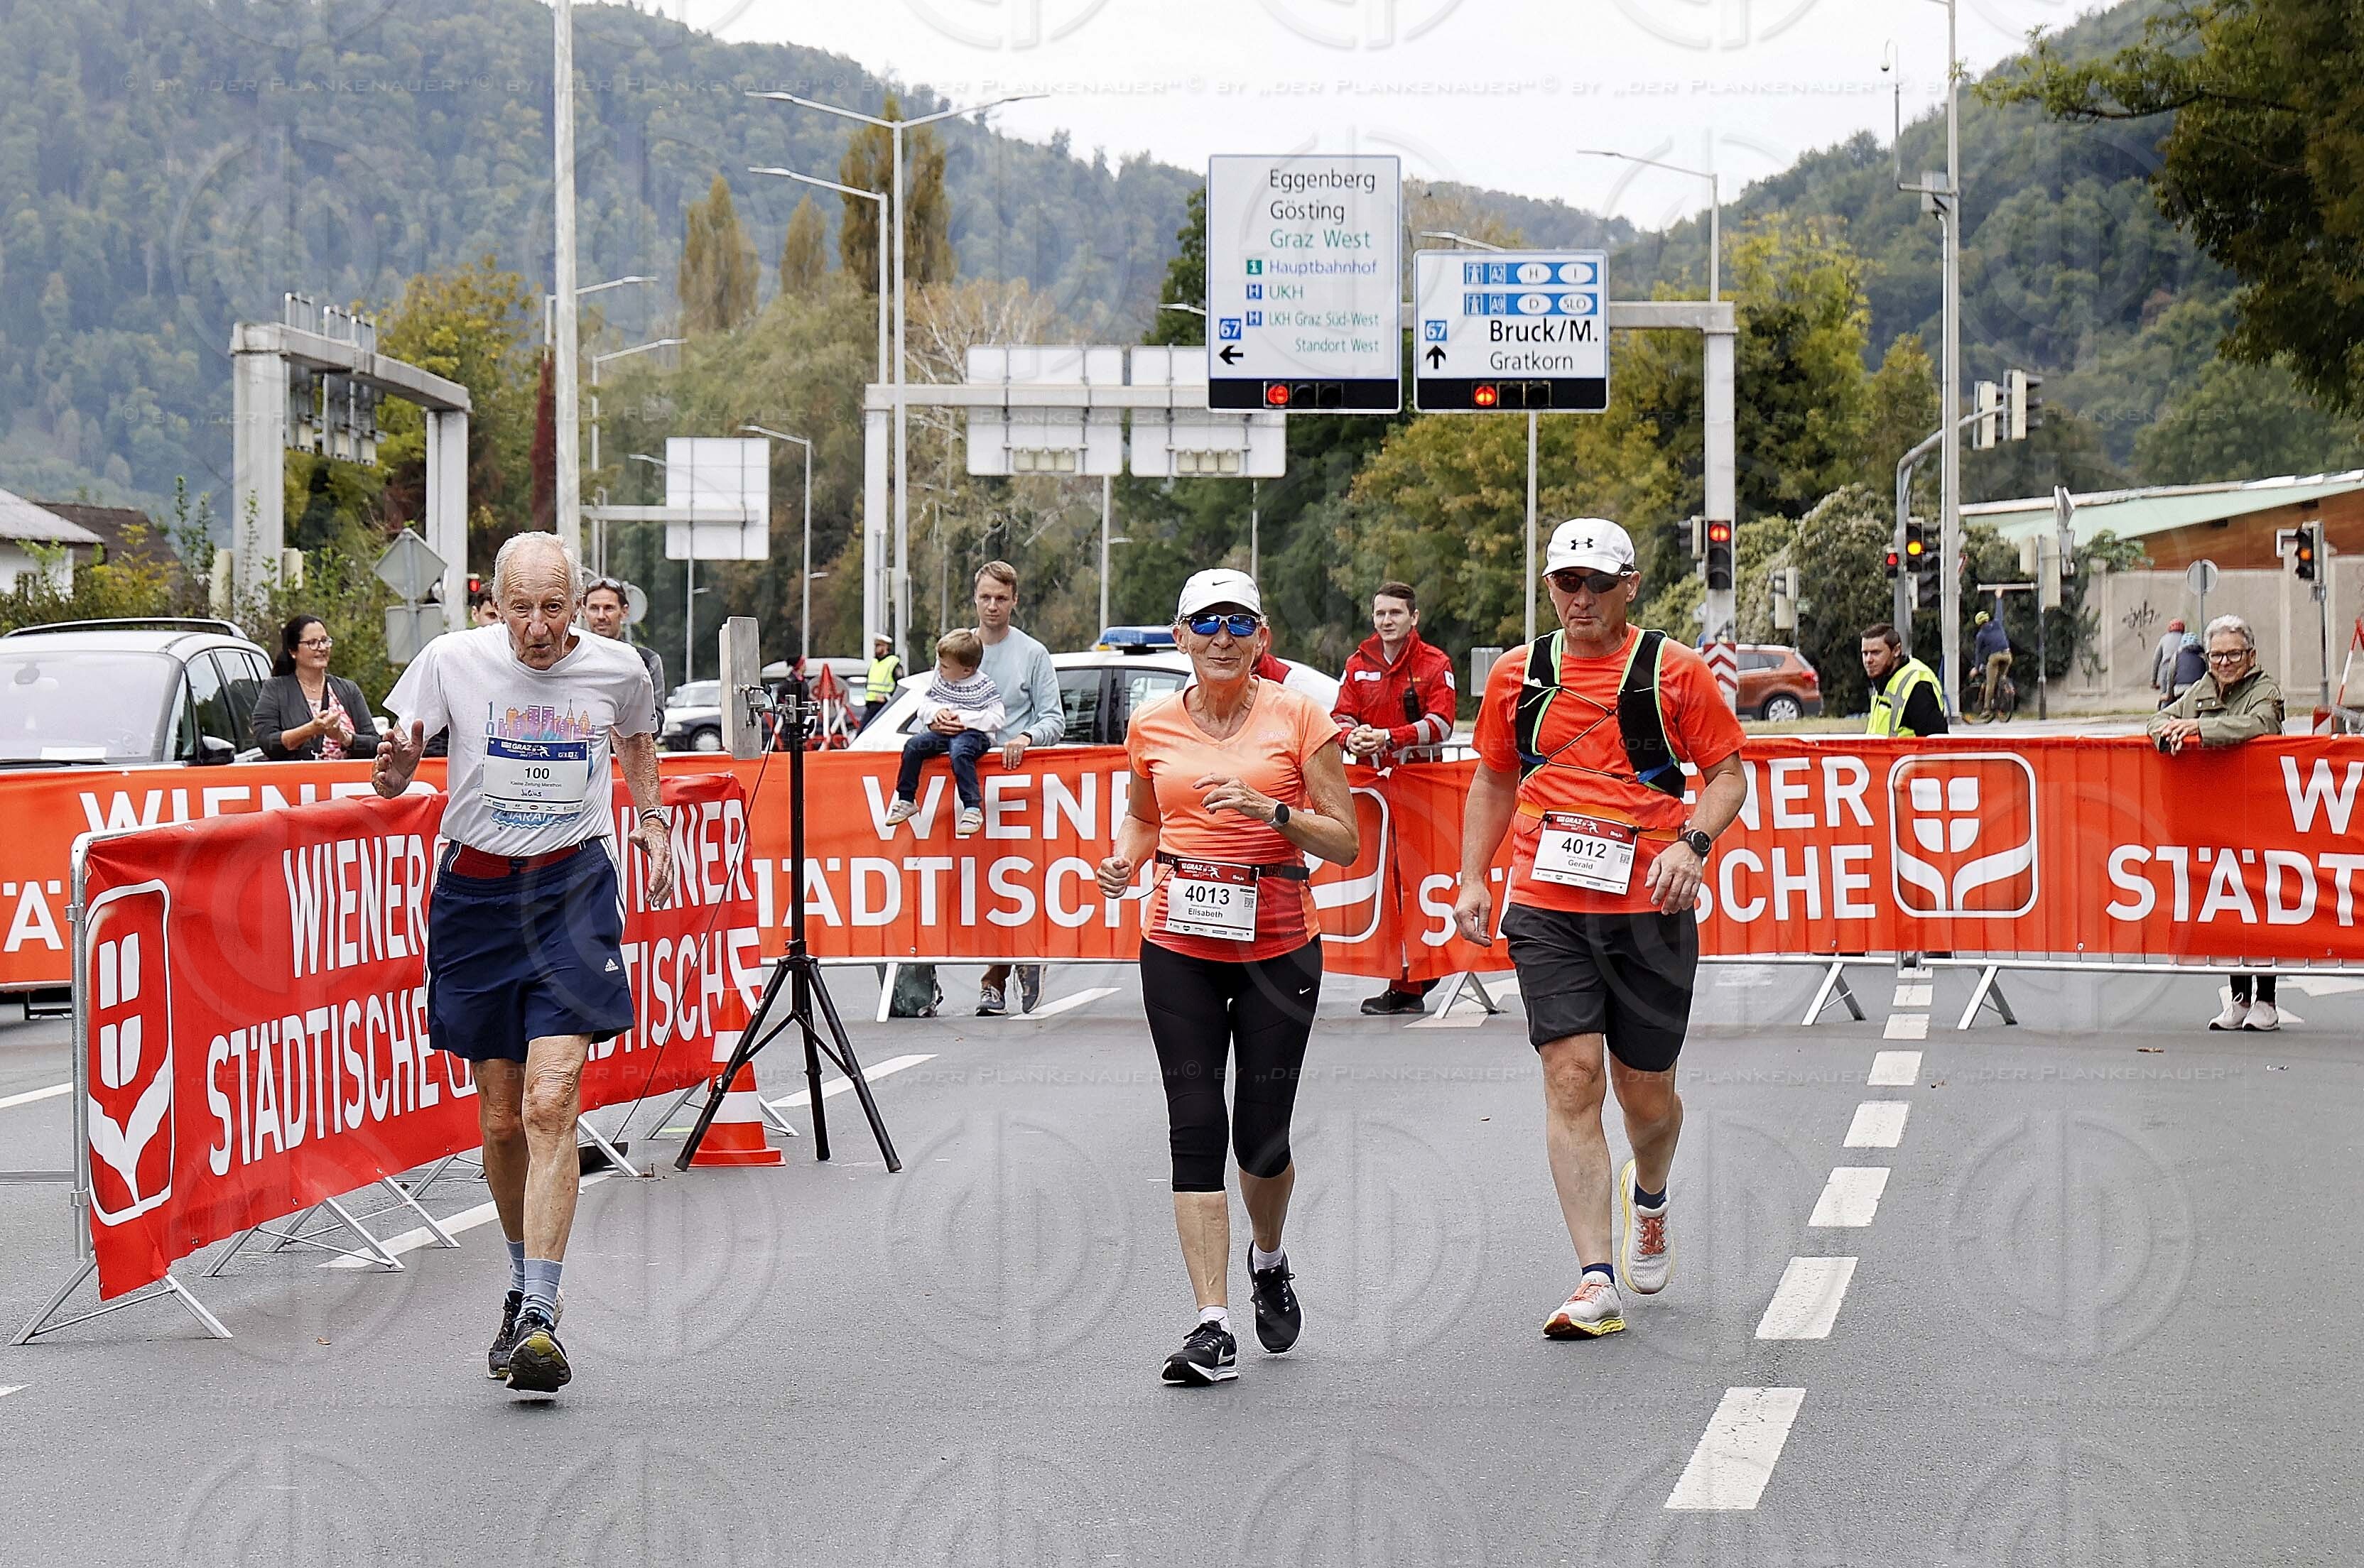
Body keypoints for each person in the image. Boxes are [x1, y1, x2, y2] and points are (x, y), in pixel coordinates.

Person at [373, 531, 674, 1395]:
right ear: (491, 605)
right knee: (501, 1116)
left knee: (552, 1100)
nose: (537, 630)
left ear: (578, 604)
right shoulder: (447, 660)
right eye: (520, 610)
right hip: (475, 894)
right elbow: (396, 771)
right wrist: (395, 771)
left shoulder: (618, 669)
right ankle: (518, 1282)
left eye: (554, 609)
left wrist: (649, 821)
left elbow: (638, 740)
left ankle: (541, 1313)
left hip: (572, 888)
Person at [1451, 518, 1747, 1340]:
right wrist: (1473, 875)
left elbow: (1726, 776)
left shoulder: (1673, 671)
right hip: (1546, 904)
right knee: (1572, 1078)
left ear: (1630, 586)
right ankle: (1594, 1277)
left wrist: (1694, 844)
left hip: (1649, 906)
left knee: (1644, 1094)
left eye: (1595, 584)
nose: (1578, 598)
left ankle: (1647, 1195)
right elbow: (1493, 778)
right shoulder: (1519, 675)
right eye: (1563, 583)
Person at [1095, 567, 1360, 1385]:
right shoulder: (1151, 724)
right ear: (1178, 637)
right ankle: (1211, 1324)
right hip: (1178, 943)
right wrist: (1122, 860)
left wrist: (1267, 809)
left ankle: (1270, 1258)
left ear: (1261, 637)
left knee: (1261, 1140)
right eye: (1205, 624)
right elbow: (1145, 816)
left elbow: (1344, 841)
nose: (1221, 638)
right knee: (1193, 1127)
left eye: (1237, 624)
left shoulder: (1300, 718)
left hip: (1278, 948)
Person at [2147, 614, 2287, 1032]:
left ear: (2251, 655)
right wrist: (2170, 734)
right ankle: (2239, 999)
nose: (2225, 662)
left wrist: (2199, 729)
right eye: (2217, 655)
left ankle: (2268, 999)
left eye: (2234, 654)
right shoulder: (2200, 689)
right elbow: (2159, 717)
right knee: (2229, 905)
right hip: (2215, 816)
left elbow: (2259, 725)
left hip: (2261, 813)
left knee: (2262, 905)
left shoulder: (2265, 691)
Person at [1331, 580, 1456, 1016]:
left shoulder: (1434, 662)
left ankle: (1413, 979)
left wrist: (1389, 736)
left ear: (1413, 618)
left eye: (1396, 614)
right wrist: (1353, 738)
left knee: (1418, 883)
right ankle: (1403, 974)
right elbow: (1340, 716)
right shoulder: (1357, 663)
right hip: (1373, 794)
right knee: (1385, 886)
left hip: (1420, 792)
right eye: (1381, 613)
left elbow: (1441, 724)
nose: (1387, 621)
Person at [971, 561, 1065, 1017]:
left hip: (1019, 787)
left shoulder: (1033, 654)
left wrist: (1025, 738)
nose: (993, 606)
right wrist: (941, 722)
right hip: (968, 786)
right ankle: (1006, 961)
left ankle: (998, 975)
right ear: (976, 599)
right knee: (971, 883)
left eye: (1001, 598)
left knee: (1012, 882)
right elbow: (937, 699)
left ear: (1014, 602)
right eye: (986, 597)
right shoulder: (959, 648)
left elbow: (1054, 719)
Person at [884, 628, 1002, 838]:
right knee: (914, 745)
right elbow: (925, 706)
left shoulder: (985, 686)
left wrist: (963, 720)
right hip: (944, 733)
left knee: (959, 752)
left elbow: (997, 718)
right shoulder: (941, 681)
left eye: (945, 666)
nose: (940, 670)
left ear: (967, 670)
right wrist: (936, 714)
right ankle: (906, 799)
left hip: (975, 735)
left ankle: (972, 808)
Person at [251, 614, 381, 761]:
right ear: (293, 651)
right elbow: (267, 741)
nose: (322, 648)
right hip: (296, 782)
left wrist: (343, 737)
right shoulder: (276, 689)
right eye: (312, 643)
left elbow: (375, 744)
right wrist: (310, 730)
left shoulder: (348, 690)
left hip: (344, 783)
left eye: (325, 641)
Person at [1860, 624, 1948, 736]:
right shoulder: (1883, 679)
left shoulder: (1917, 685)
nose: (1868, 660)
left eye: (1876, 653)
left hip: (1906, 754)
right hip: (1887, 754)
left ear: (1896, 651)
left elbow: (1937, 743)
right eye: (1865, 653)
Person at [582, 577, 664, 697]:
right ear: (584, 612)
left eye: (609, 608)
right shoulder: (571, 660)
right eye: (594, 608)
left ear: (624, 612)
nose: (601, 616)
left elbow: (655, 714)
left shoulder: (646, 661)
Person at [1973, 610, 2013, 716]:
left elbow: (1978, 653)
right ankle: (2007, 688)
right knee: (2002, 677)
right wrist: (1999, 598)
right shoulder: (1997, 623)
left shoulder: (1981, 635)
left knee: (1990, 684)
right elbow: (1999, 611)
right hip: (2007, 655)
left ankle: (1987, 709)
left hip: (1995, 657)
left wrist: (1976, 668)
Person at [864, 633, 904, 730]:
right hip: (871, 704)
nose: (875, 648)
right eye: (875, 645)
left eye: (878, 646)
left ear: (885, 646)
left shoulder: (893, 662)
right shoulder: (874, 663)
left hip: (884, 705)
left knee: (863, 733)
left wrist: (886, 697)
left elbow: (900, 684)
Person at [2150, 617, 2186, 708]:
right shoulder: (2184, 639)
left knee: (2166, 697)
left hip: (2166, 668)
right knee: (2180, 697)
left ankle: (2162, 717)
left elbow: (2156, 660)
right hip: (2180, 668)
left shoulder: (2164, 639)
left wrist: (2153, 681)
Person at [2171, 628, 2207, 700]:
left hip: (2180, 689)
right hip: (2198, 688)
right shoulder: (2203, 656)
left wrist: (2169, 694)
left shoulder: (2177, 655)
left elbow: (2171, 675)